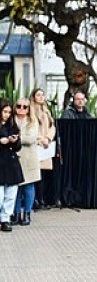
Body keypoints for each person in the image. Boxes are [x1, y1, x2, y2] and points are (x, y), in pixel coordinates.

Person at [11, 97, 40, 226]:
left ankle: (27, 214)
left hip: (29, 158)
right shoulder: (11, 120)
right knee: (15, 187)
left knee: (28, 186)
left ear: (29, 109)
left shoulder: (33, 121)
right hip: (14, 157)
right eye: (19, 106)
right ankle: (16, 214)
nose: (21, 109)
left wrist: (15, 138)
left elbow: (31, 138)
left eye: (25, 107)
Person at [29, 88, 57, 211]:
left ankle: (43, 199)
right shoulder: (31, 111)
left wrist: (48, 138)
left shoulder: (46, 111)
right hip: (37, 145)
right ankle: (36, 200)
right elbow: (31, 128)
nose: (41, 97)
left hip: (46, 146)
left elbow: (52, 127)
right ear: (33, 97)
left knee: (45, 174)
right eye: (38, 95)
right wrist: (41, 139)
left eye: (42, 95)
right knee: (37, 174)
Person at [0, 99, 23, 232]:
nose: (7, 115)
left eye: (9, 112)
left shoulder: (12, 126)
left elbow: (17, 147)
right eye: (4, 111)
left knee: (11, 194)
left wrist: (14, 141)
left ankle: (5, 219)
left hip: (11, 163)